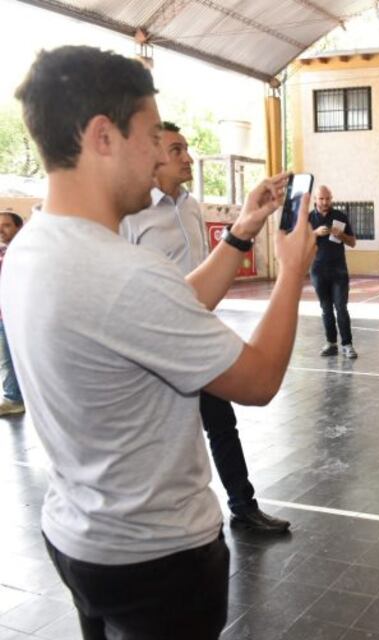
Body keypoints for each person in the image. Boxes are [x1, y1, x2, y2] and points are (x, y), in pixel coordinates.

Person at [5, 46, 315, 636]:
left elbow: (166, 313)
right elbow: (258, 380)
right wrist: (293, 269)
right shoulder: (121, 271)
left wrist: (242, 234)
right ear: (102, 136)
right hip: (156, 557)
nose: (160, 155)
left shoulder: (33, 247)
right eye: (151, 136)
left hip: (77, 536)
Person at [121, 121, 291, 534]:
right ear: (152, 157)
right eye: (177, 150)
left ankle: (243, 506)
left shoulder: (191, 206)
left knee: (221, 424)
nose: (188, 158)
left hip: (196, 331)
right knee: (166, 435)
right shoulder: (131, 216)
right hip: (156, 346)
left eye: (187, 149)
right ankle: (160, 521)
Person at [310, 185, 357, 359]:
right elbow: (298, 242)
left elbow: (352, 242)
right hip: (317, 269)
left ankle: (347, 345)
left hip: (339, 270)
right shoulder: (308, 219)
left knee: (341, 307)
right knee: (325, 308)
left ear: (331, 199)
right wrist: (314, 233)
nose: (325, 202)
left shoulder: (340, 216)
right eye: (321, 199)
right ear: (315, 199)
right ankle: (331, 344)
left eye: (328, 198)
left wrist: (341, 236)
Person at [0, 210, 25, 416]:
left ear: (19, 227)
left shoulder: (22, 252)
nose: (1, 230)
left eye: (6, 225)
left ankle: (14, 398)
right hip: (5, 314)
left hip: (16, 314)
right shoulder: (3, 252)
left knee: (9, 359)